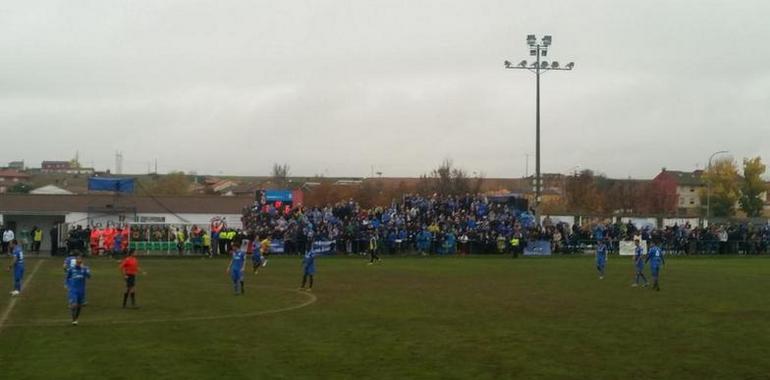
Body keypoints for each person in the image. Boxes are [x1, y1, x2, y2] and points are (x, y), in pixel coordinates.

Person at [66, 256, 91, 325]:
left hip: (81, 290)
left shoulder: (85, 268)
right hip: (73, 289)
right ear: (76, 262)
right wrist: (68, 285)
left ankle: (76, 318)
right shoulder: (71, 269)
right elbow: (67, 277)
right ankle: (73, 319)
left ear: (82, 262)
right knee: (74, 304)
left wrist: (84, 270)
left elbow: (89, 276)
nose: (78, 263)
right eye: (77, 262)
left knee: (79, 306)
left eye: (80, 262)